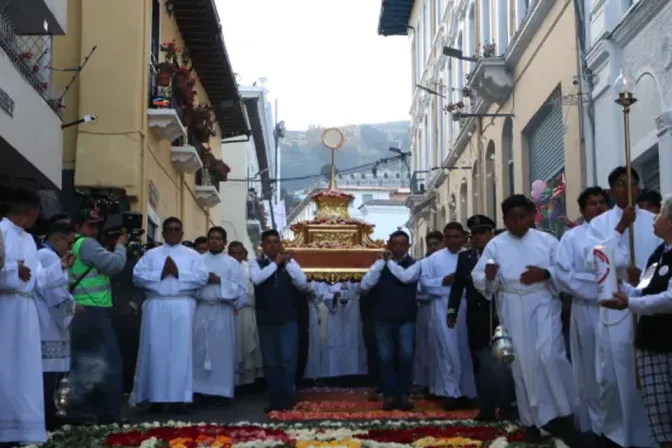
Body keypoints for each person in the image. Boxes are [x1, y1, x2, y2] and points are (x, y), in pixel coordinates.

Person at [471, 194, 589, 446]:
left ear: (531, 215)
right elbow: (480, 277)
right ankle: (531, 421)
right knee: (522, 365)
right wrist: (490, 276)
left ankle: (563, 412)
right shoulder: (495, 244)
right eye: (511, 218)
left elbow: (565, 271)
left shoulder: (547, 241)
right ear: (504, 219)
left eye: (522, 217)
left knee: (549, 354)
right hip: (512, 305)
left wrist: (545, 273)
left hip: (543, 302)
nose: (517, 222)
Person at [587, 166, 660, 447]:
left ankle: (651, 434)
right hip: (615, 308)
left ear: (639, 189)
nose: (624, 189)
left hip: (647, 306)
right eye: (618, 184)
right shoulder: (600, 224)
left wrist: (642, 276)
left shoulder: (655, 221)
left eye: (630, 184)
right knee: (613, 375)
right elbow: (592, 260)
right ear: (610, 190)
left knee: (648, 374)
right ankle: (617, 434)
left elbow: (664, 260)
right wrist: (620, 228)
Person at [0, 189, 74, 447]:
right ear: (30, 213)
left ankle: (22, 429)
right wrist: (12, 269)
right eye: (36, 214)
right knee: (5, 367)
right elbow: (16, 273)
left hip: (26, 311)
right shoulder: (0, 232)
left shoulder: (30, 241)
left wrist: (60, 267)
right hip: (5, 307)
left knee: (25, 370)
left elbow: (38, 279)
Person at [601, 193, 672, 447]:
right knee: (660, 417)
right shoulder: (657, 254)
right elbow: (642, 288)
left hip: (669, 342)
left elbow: (669, 300)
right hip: (650, 344)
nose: (655, 216)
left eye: (661, 213)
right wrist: (618, 288)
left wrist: (630, 303)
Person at [131, 217, 209, 412]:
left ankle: (179, 398)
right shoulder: (151, 255)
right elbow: (137, 276)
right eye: (169, 229)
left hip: (183, 306)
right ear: (163, 233)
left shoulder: (192, 255)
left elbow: (202, 278)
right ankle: (155, 397)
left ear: (182, 233)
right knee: (155, 351)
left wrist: (179, 272)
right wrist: (160, 273)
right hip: (157, 306)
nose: (173, 232)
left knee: (181, 353)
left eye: (177, 229)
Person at [554, 186, 609, 436]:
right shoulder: (572, 238)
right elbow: (562, 276)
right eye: (592, 203)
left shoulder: (618, 231)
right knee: (590, 367)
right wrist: (598, 288)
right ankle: (596, 426)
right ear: (583, 210)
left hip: (620, 310)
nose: (598, 207)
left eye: (601, 202)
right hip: (587, 309)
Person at [448, 215, 514, 421]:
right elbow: (458, 286)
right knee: (480, 363)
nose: (478, 237)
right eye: (475, 234)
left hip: (500, 314)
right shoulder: (465, 258)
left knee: (503, 361)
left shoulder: (503, 253)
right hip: (476, 317)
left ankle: (506, 405)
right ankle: (486, 405)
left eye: (482, 233)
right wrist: (452, 310)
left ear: (491, 234)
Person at [68, 209, 128, 424]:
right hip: (93, 311)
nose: (94, 230)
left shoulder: (72, 244)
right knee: (110, 363)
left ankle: (80, 409)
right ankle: (109, 413)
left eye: (97, 226)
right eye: (90, 225)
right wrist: (121, 245)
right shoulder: (86, 244)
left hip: (79, 310)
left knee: (83, 362)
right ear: (78, 226)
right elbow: (114, 265)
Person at [249, 229, 308, 412]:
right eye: (269, 242)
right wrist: (275, 264)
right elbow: (257, 280)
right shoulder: (255, 263)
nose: (273, 245)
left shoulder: (289, 263)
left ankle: (287, 397)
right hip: (266, 319)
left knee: (288, 359)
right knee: (271, 361)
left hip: (288, 319)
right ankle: (275, 399)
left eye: (276, 242)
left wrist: (287, 264)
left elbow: (302, 282)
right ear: (263, 245)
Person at [359, 230, 419, 411]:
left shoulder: (414, 264)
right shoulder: (380, 265)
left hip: (406, 317)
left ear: (408, 246)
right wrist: (380, 263)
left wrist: (389, 262)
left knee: (406, 356)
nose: (399, 248)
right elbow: (365, 285)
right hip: (383, 317)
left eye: (403, 244)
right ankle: (389, 394)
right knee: (385, 357)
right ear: (389, 245)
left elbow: (406, 279)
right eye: (395, 244)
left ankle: (404, 393)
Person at [420, 222, 477, 410]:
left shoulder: (470, 257)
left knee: (465, 350)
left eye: (456, 237)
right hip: (442, 307)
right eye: (448, 237)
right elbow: (426, 284)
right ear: (444, 238)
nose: (452, 240)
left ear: (463, 238)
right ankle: (451, 393)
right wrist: (443, 281)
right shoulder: (433, 260)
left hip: (467, 306)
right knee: (447, 350)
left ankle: (469, 392)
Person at [193, 227, 246, 400]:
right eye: (211, 238)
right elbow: (188, 284)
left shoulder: (232, 263)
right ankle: (198, 388)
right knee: (199, 350)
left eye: (218, 238)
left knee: (222, 351)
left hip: (222, 312)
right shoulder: (197, 261)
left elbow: (241, 290)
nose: (215, 241)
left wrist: (219, 281)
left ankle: (221, 391)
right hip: (200, 311)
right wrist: (202, 280)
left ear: (224, 242)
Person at [36, 222, 77, 430]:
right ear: (59, 239)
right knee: (49, 371)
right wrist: (71, 305)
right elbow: (53, 291)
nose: (69, 248)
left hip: (50, 317)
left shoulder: (48, 256)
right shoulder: (47, 256)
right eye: (69, 243)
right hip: (48, 318)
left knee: (53, 371)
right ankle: (49, 414)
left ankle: (52, 412)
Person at [228, 241, 264, 386]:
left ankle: (248, 380)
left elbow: (253, 291)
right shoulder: (226, 266)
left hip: (247, 311)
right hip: (229, 311)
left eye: (239, 253)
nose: (237, 257)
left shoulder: (250, 268)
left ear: (244, 254)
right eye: (233, 253)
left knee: (248, 343)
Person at [414, 230, 444, 392]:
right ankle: (425, 382)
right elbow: (419, 288)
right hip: (426, 309)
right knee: (425, 346)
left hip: (445, 306)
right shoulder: (423, 263)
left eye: (436, 244)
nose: (433, 248)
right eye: (430, 245)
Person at [320, 280, 367, 378]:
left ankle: (354, 374)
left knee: (353, 342)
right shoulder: (328, 277)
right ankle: (334, 375)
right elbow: (322, 293)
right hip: (335, 315)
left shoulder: (354, 276)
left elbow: (361, 287)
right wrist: (333, 296)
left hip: (352, 313)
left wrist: (348, 288)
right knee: (334, 343)